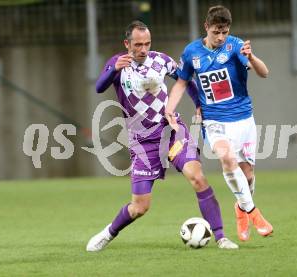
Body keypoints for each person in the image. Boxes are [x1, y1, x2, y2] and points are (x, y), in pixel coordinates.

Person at [86, 20, 238, 251]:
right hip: (141, 141)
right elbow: (99, 87)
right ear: (127, 43)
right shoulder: (118, 64)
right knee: (140, 207)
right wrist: (113, 69)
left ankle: (221, 237)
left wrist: (199, 105)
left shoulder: (161, 60)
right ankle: (109, 232)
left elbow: (185, 79)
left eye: (147, 43)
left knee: (196, 177)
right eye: (138, 44)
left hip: (170, 130)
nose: (143, 49)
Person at [165, 6, 273, 242]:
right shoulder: (192, 52)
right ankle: (253, 212)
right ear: (206, 27)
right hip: (214, 120)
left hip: (243, 118)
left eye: (224, 32)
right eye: (216, 32)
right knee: (226, 158)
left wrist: (252, 57)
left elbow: (264, 73)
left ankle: (241, 208)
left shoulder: (235, 46)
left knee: (248, 175)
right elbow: (182, 83)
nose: (221, 37)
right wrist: (169, 108)